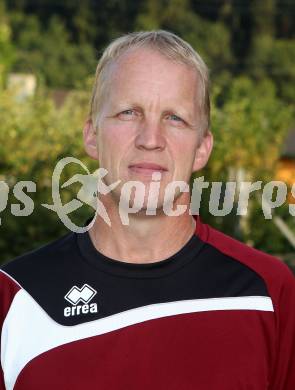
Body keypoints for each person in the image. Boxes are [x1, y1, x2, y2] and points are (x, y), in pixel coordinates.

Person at [0, 30, 294, 390]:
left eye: (175, 118)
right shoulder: (15, 298)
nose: (150, 139)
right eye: (128, 112)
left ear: (202, 148)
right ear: (92, 134)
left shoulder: (268, 294)